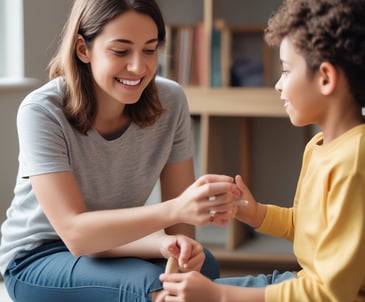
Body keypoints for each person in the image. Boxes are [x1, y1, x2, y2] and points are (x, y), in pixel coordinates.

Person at [0, 0, 241, 301]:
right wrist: (178, 207)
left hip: (116, 244)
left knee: (202, 271)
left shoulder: (171, 101)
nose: (139, 67)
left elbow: (181, 228)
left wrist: (172, 245)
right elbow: (76, 235)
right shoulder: (42, 111)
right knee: (151, 286)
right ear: (82, 49)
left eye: (150, 49)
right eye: (121, 51)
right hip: (38, 255)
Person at [157, 0, 365, 301]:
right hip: (303, 284)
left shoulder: (355, 162)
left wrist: (219, 295)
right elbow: (307, 227)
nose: (278, 85)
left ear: (325, 78)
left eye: (286, 71)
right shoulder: (321, 145)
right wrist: (255, 212)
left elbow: (329, 293)